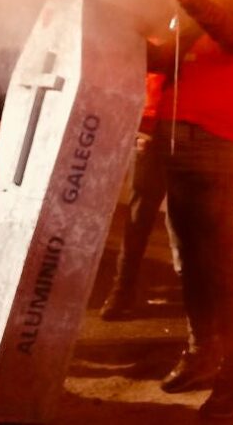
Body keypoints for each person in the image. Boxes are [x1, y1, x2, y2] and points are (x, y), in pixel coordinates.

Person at [148, 0, 233, 420]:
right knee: (189, 267)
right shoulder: (189, 36)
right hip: (177, 154)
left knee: (218, 272)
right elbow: (154, 60)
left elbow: (225, 29)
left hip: (214, 157)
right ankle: (201, 354)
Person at [100, 69, 180, 321]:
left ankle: (192, 291)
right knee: (140, 215)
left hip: (189, 127)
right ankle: (122, 290)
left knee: (182, 216)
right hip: (153, 125)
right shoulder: (161, 30)